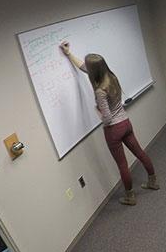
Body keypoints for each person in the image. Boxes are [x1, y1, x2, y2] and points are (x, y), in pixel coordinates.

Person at [60, 42, 158, 205]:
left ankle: (130, 196)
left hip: (114, 130)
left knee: (122, 164)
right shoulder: (111, 77)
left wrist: (97, 111)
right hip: (126, 123)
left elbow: (107, 118)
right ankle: (153, 181)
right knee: (140, 152)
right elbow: (83, 67)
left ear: (93, 72)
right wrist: (69, 54)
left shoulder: (100, 90)